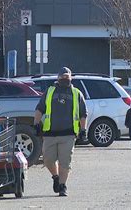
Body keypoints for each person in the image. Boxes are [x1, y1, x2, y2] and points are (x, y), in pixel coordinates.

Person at [34, 67, 88, 197]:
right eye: (63, 77)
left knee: (65, 162)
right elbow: (40, 108)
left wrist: (83, 130)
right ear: (58, 78)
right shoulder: (50, 91)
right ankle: (55, 177)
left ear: (71, 78)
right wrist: (36, 123)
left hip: (68, 134)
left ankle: (63, 186)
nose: (65, 79)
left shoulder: (76, 93)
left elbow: (83, 114)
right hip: (50, 133)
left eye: (67, 77)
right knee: (47, 160)